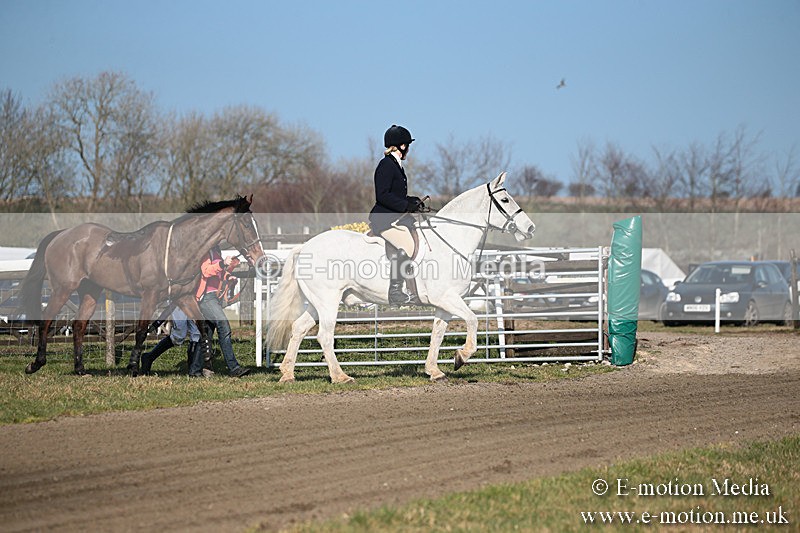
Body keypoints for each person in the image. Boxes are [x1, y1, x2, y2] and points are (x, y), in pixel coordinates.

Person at [368, 124, 424, 305]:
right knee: (407, 245)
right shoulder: (386, 165)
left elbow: (396, 195)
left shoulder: (396, 165)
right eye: (407, 145)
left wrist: (412, 201)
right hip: (383, 220)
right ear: (401, 146)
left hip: (394, 217)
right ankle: (395, 291)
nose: (409, 149)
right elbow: (383, 195)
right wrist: (405, 206)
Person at [196, 245, 250, 378]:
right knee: (224, 327)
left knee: (206, 333)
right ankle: (233, 368)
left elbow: (219, 273)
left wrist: (227, 277)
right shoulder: (205, 251)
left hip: (215, 297)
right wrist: (222, 263)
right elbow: (206, 271)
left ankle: (196, 368)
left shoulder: (216, 251)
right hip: (207, 298)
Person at [140, 307, 203, 377]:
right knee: (179, 335)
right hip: (179, 303)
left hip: (193, 302)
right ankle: (149, 357)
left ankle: (193, 369)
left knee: (197, 333)